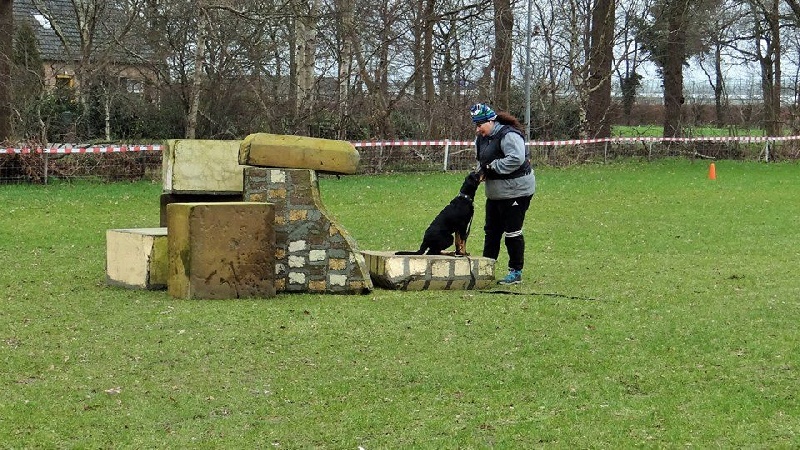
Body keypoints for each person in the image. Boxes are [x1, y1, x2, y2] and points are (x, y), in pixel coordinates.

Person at [470, 103, 536, 285]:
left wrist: (492, 168)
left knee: (512, 232)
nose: (477, 129)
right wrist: (480, 172)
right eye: (475, 125)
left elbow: (516, 158)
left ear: (490, 121)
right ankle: (485, 269)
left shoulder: (509, 135)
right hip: (495, 193)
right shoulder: (482, 139)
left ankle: (516, 271)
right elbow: (481, 160)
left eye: (479, 125)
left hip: (517, 190)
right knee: (491, 231)